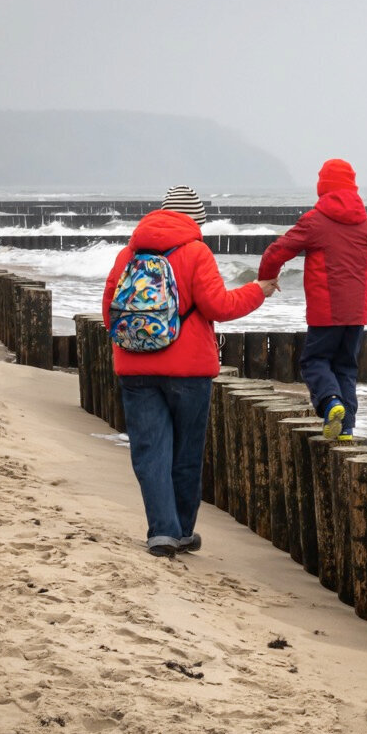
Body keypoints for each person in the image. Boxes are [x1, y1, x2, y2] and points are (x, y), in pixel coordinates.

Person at [103, 185, 278, 558]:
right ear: (196, 220)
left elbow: (109, 313)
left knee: (150, 452)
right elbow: (219, 306)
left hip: (134, 368)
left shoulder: (127, 254)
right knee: (186, 452)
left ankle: (161, 532)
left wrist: (138, 344)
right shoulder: (196, 252)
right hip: (188, 372)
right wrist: (258, 290)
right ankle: (181, 531)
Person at [257, 159, 367, 440]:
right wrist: (362, 292)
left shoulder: (315, 220)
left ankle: (330, 403)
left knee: (314, 360)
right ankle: (346, 428)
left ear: (322, 186)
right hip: (356, 312)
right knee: (346, 367)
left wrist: (267, 277)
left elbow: (277, 251)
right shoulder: (366, 224)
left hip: (325, 311)